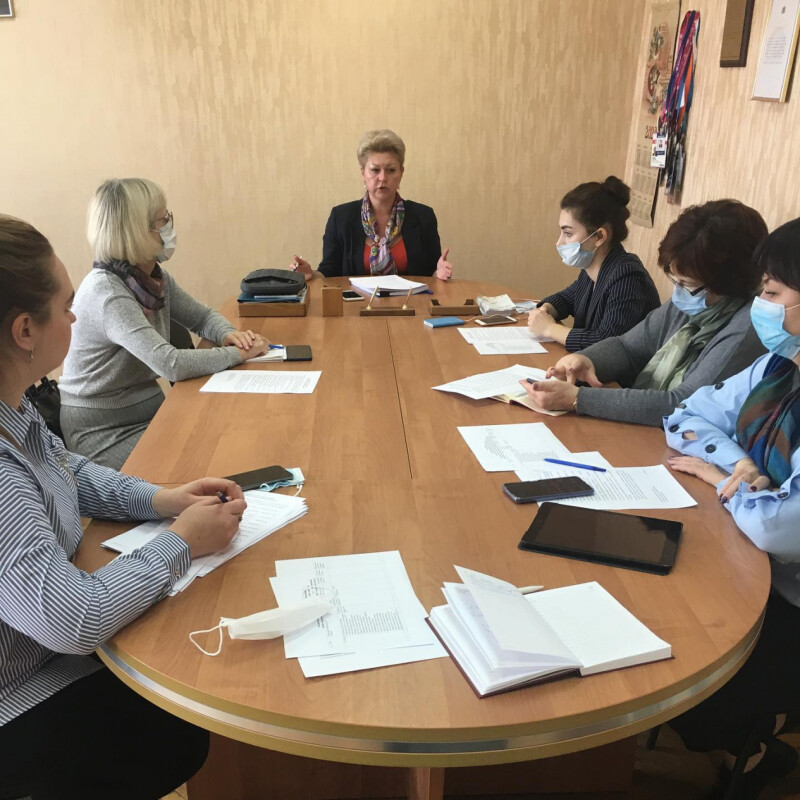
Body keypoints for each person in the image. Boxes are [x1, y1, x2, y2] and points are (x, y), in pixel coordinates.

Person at [0, 214, 247, 799]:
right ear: (25, 331)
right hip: (18, 695)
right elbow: (73, 619)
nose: (75, 318)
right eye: (65, 307)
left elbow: (67, 469)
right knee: (183, 722)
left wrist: (163, 499)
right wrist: (181, 541)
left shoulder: (17, 408)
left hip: (41, 656)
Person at [663, 217, 800, 798]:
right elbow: (685, 418)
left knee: (689, 677)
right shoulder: (778, 368)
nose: (760, 306)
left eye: (771, 292)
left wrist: (726, 478)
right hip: (747, 557)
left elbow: (777, 526)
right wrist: (744, 467)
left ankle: (757, 748)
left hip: (789, 595)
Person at [59, 178, 269, 470]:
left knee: (232, 438)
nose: (170, 225)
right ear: (138, 232)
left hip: (150, 412)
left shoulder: (152, 278)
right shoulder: (107, 293)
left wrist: (229, 334)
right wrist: (238, 354)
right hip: (105, 434)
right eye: (163, 219)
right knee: (214, 458)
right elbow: (171, 364)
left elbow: (202, 317)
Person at [520, 200, 768, 426]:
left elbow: (682, 403)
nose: (678, 291)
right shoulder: (694, 301)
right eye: (676, 280)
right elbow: (628, 346)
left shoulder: (747, 327)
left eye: (687, 284)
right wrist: (585, 360)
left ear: (728, 283)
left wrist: (578, 399)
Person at [291, 129, 454, 280]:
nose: (383, 178)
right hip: (356, 302)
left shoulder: (423, 216)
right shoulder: (340, 217)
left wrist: (438, 273)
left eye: (391, 170)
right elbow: (329, 272)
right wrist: (312, 274)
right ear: (363, 173)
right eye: (375, 170)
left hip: (412, 302)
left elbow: (431, 272)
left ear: (401, 173)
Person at [527, 176, 659, 350]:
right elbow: (566, 298)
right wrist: (545, 310)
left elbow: (607, 345)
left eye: (568, 233)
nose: (559, 243)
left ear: (599, 236)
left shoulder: (627, 276)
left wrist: (549, 329)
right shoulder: (592, 269)